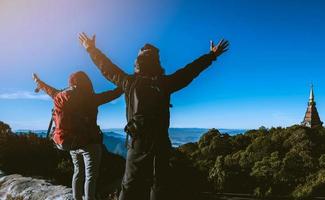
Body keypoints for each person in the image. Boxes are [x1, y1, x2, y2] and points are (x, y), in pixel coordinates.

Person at [79, 32, 229, 200]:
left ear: (138, 63)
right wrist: (211, 55)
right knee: (159, 184)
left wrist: (91, 49)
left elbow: (106, 68)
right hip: (161, 142)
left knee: (130, 184)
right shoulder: (165, 83)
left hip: (137, 142)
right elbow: (190, 71)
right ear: (156, 63)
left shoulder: (129, 82)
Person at [33, 71, 123, 200]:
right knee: (90, 176)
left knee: (78, 172)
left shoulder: (61, 96)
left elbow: (49, 90)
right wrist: (126, 84)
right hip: (90, 143)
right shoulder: (90, 98)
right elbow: (113, 94)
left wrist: (38, 82)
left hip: (71, 142)